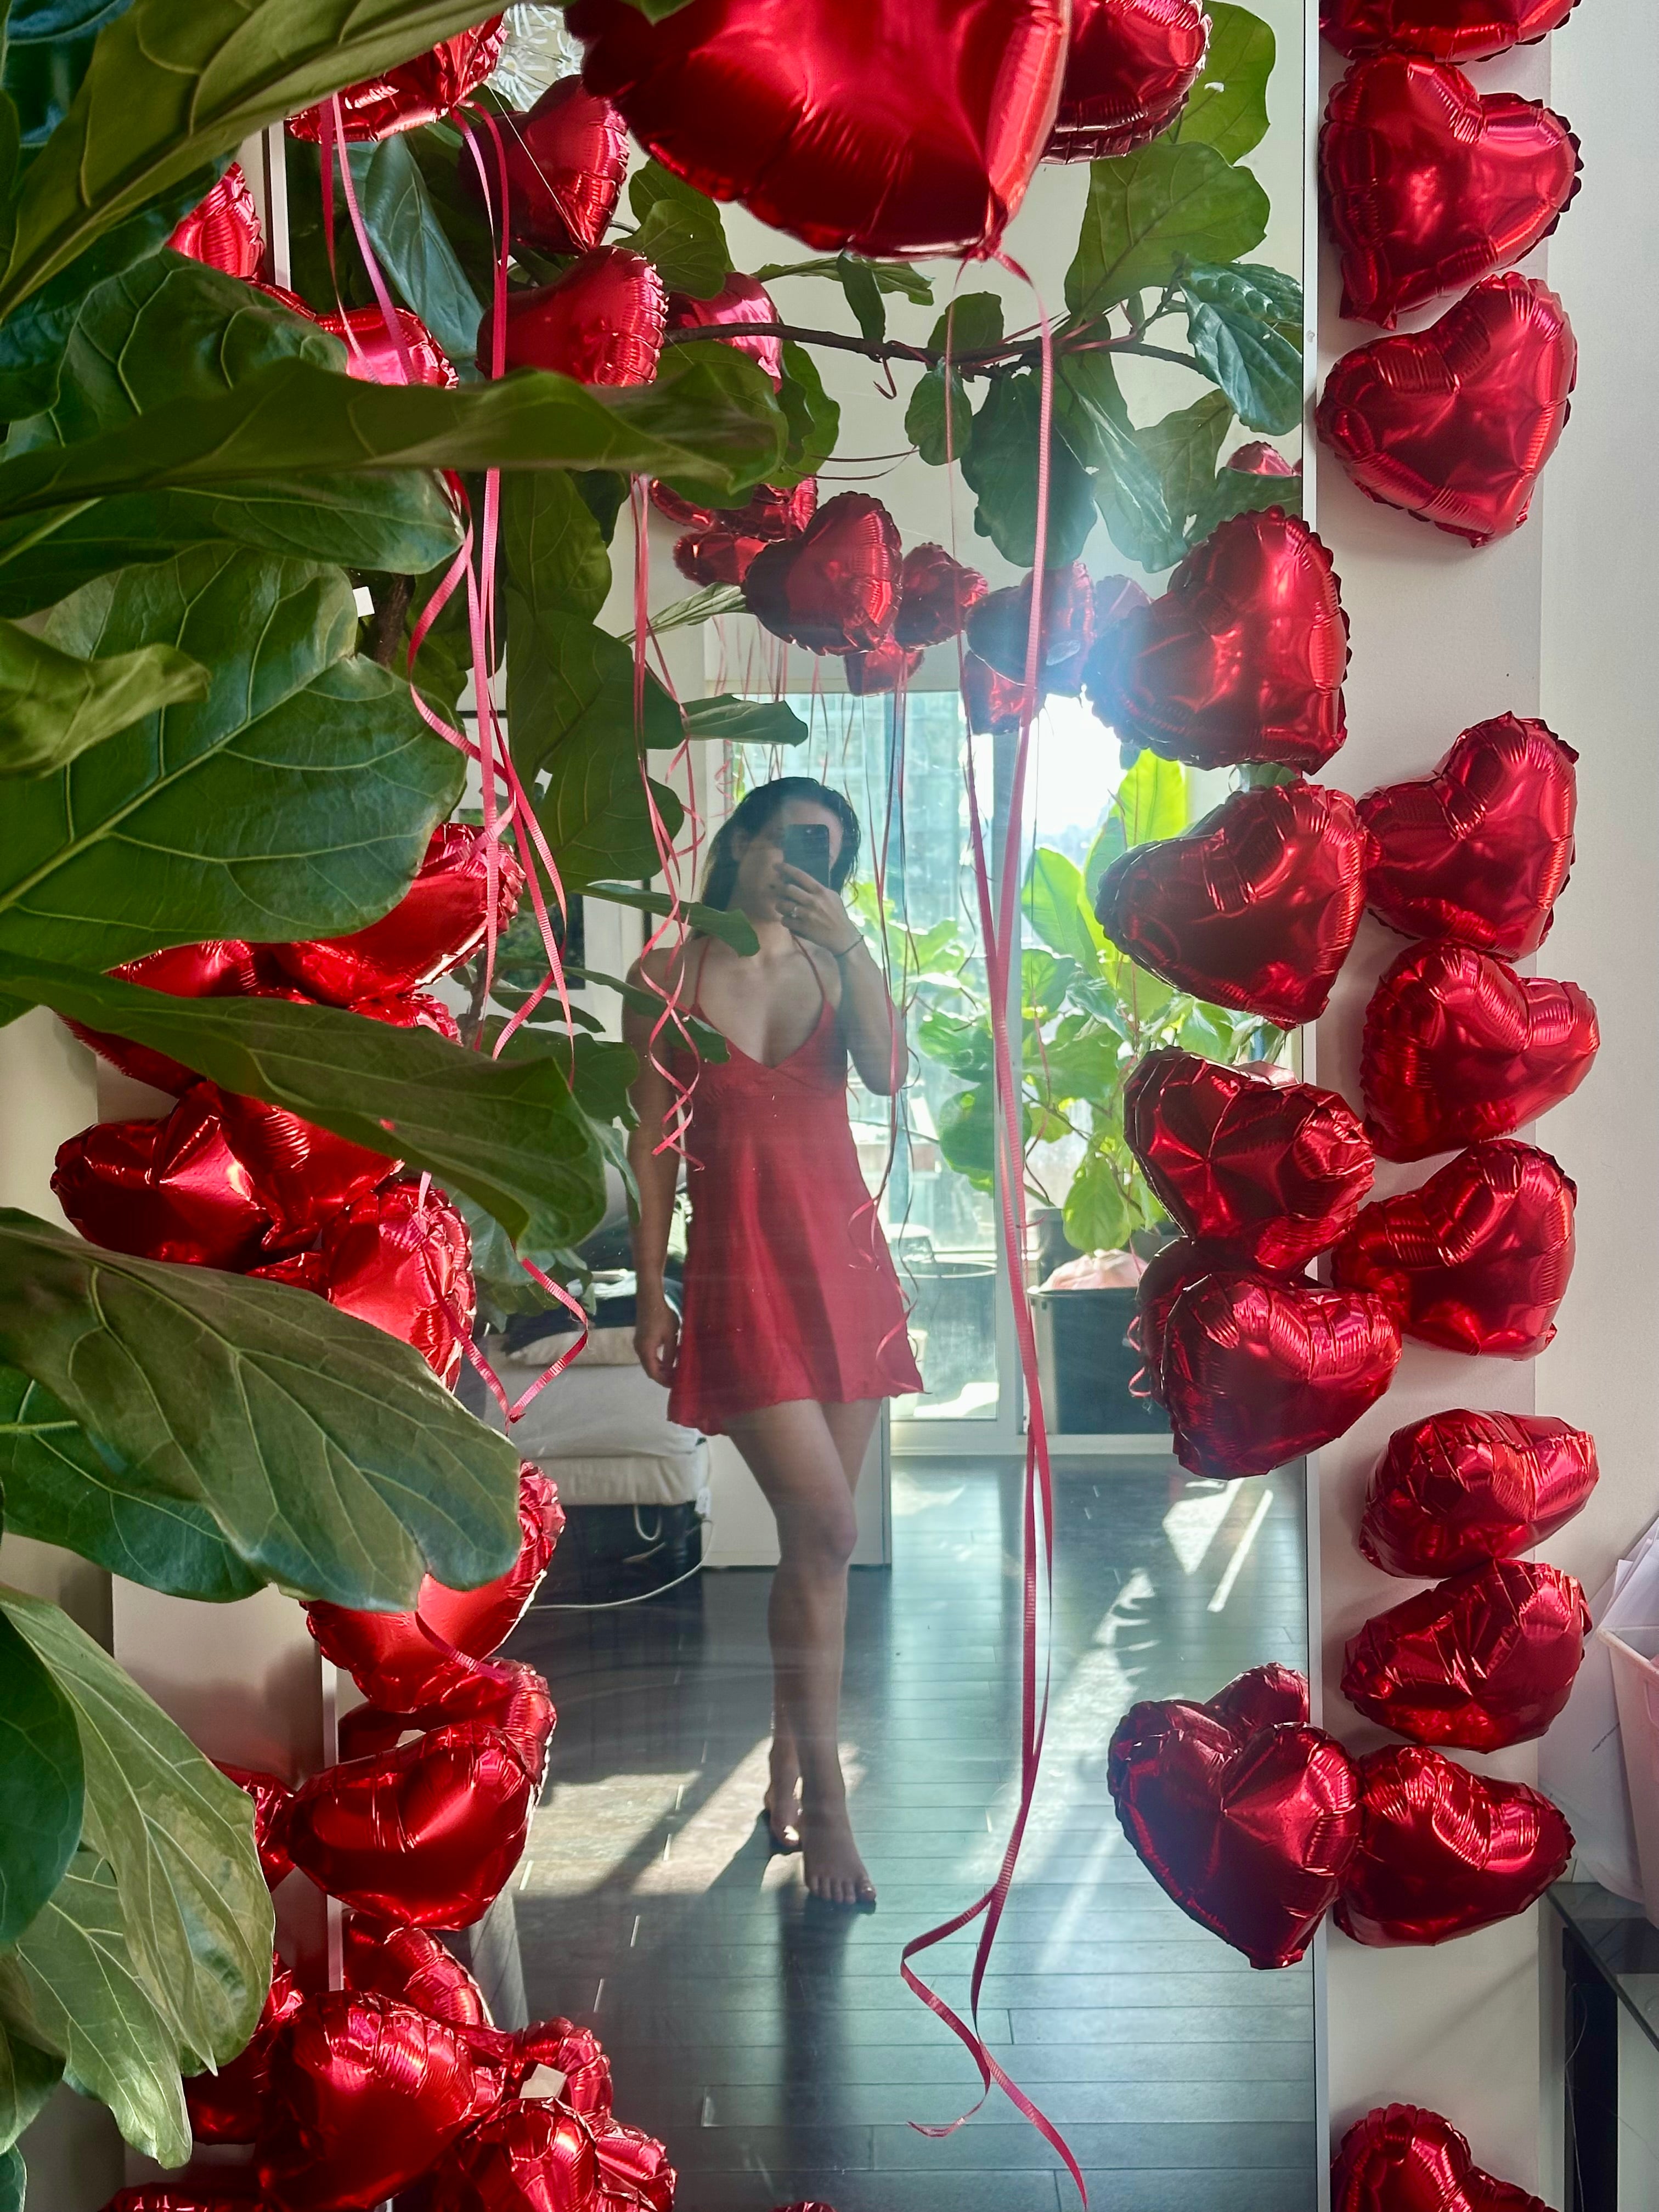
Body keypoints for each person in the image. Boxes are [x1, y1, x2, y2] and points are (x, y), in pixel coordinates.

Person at [624, 777, 922, 1909]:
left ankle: (787, 1763)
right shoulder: (662, 977)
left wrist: (855, 950)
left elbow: (891, 1075)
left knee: (816, 1549)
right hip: (741, 1280)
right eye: (799, 839)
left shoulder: (831, 960)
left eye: (832, 854)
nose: (813, 864)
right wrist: (652, 1293)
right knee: (833, 1526)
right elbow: (653, 1148)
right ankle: (829, 1802)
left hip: (846, 1276)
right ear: (742, 841)